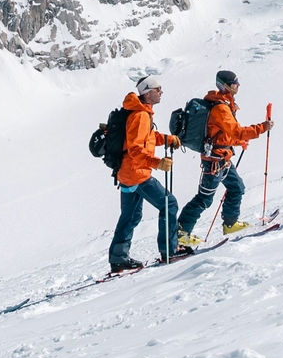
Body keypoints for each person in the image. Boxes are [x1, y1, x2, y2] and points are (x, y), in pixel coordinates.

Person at [177, 70, 271, 249]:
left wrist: (238, 142)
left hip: (223, 158)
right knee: (204, 199)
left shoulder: (223, 104)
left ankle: (230, 224)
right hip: (214, 161)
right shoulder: (220, 108)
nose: (238, 85)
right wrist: (262, 128)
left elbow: (223, 135)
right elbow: (237, 131)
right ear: (226, 86)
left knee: (237, 188)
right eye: (235, 82)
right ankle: (181, 233)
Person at [108, 74, 180, 272]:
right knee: (169, 203)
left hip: (126, 174)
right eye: (158, 89)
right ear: (147, 93)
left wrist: (167, 139)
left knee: (130, 216)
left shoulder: (140, 112)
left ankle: (118, 258)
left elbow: (147, 138)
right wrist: (158, 163)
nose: (161, 92)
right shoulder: (140, 116)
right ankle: (170, 250)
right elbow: (136, 150)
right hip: (137, 174)